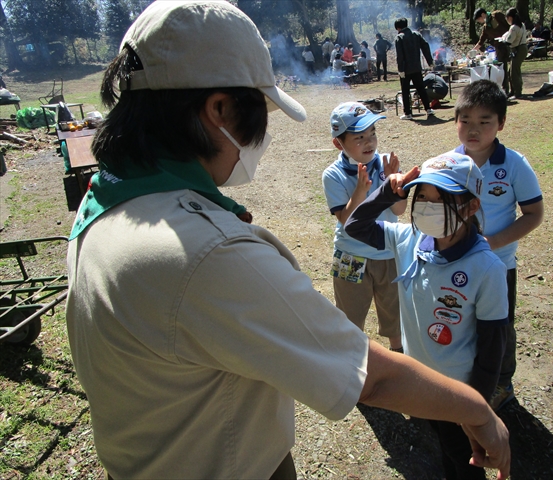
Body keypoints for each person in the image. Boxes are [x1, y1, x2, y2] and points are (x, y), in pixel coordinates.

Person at [65, 3, 512, 479]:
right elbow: (370, 376)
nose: (263, 134)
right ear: (218, 109)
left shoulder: (104, 202)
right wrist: (479, 412)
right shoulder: (208, 253)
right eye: (261, 113)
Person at [345, 153, 509, 480]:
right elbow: (354, 225)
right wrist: (390, 191)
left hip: (457, 390)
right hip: (418, 382)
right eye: (423, 196)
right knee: (444, 445)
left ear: (471, 207)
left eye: (442, 199)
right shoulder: (408, 240)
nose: (429, 206)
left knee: (464, 458)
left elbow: (492, 349)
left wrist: (475, 409)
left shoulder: (487, 269)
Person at [448, 80, 544, 411]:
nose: (473, 130)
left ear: (501, 123)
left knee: (499, 326)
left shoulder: (514, 164)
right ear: (455, 121)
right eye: (466, 121)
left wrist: (492, 243)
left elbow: (533, 214)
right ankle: (466, 376)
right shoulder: (448, 163)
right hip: (456, 263)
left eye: (484, 121)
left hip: (499, 265)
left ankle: (502, 383)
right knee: (461, 319)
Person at [322, 102, 404, 353]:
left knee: (395, 313)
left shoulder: (385, 164)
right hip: (350, 254)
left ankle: (399, 354)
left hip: (387, 251)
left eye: (372, 134)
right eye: (359, 137)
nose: (369, 142)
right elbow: (346, 221)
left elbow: (399, 211)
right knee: (349, 315)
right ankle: (350, 359)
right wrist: (360, 190)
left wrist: (392, 183)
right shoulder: (333, 175)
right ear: (339, 143)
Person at [394, 17, 434, 120]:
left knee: (405, 91)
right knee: (421, 89)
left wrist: (401, 70)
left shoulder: (399, 37)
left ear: (398, 28)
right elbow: (425, 46)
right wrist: (430, 61)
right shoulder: (416, 34)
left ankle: (408, 113)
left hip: (406, 69)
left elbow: (400, 56)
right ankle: (428, 109)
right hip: (416, 67)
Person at [473, 8, 511, 95]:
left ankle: (513, 91)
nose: (479, 21)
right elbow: (481, 41)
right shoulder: (486, 27)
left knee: (511, 69)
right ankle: (505, 90)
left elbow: (509, 26)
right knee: (502, 68)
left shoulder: (497, 15)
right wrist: (472, 51)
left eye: (479, 19)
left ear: (483, 14)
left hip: (508, 44)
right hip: (499, 48)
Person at [501, 7, 528, 100]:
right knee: (512, 71)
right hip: (523, 48)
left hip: (518, 49)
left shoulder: (514, 27)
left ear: (510, 17)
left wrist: (503, 39)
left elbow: (508, 41)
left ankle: (518, 93)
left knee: (514, 73)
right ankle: (513, 91)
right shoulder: (522, 25)